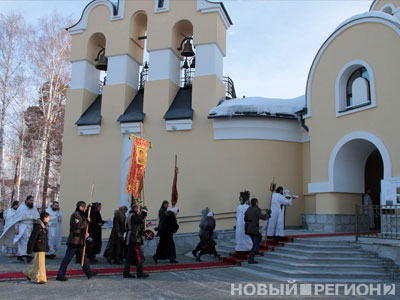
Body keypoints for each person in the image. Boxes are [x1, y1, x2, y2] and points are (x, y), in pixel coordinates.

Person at [56, 201, 98, 281]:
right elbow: (78, 225)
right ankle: (60, 274)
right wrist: (87, 222)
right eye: (84, 207)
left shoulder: (81, 215)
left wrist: (86, 233)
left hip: (80, 241)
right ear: (80, 207)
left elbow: (83, 226)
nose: (85, 209)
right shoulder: (75, 215)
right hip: (74, 241)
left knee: (83, 258)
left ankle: (88, 272)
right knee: (67, 258)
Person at [0, 195, 39, 262]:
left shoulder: (33, 208)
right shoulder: (22, 208)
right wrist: (16, 228)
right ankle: (23, 254)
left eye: (32, 200)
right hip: (23, 226)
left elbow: (36, 217)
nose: (31, 202)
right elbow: (17, 219)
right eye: (30, 200)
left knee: (29, 241)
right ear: (27, 200)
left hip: (30, 226)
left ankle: (24, 254)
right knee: (23, 241)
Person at [24, 212, 50, 284]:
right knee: (40, 264)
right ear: (44, 218)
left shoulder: (44, 226)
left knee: (37, 263)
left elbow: (45, 238)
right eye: (48, 217)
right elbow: (33, 238)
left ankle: (29, 273)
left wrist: (47, 247)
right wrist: (29, 250)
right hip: (39, 247)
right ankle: (40, 278)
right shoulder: (38, 226)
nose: (48, 219)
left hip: (42, 246)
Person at [123, 204, 149, 278]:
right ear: (136, 209)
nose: (139, 211)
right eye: (139, 209)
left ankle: (126, 272)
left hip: (130, 236)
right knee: (139, 255)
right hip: (134, 238)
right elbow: (140, 220)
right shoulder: (133, 215)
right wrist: (144, 213)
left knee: (129, 256)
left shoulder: (129, 215)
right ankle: (140, 272)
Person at [245, 198, 270, 264]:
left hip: (248, 228)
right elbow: (263, 217)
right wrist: (268, 214)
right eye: (258, 202)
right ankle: (251, 258)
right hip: (253, 229)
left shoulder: (249, 209)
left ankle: (256, 251)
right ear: (256, 203)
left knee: (259, 237)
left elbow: (245, 217)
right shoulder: (257, 209)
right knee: (255, 244)